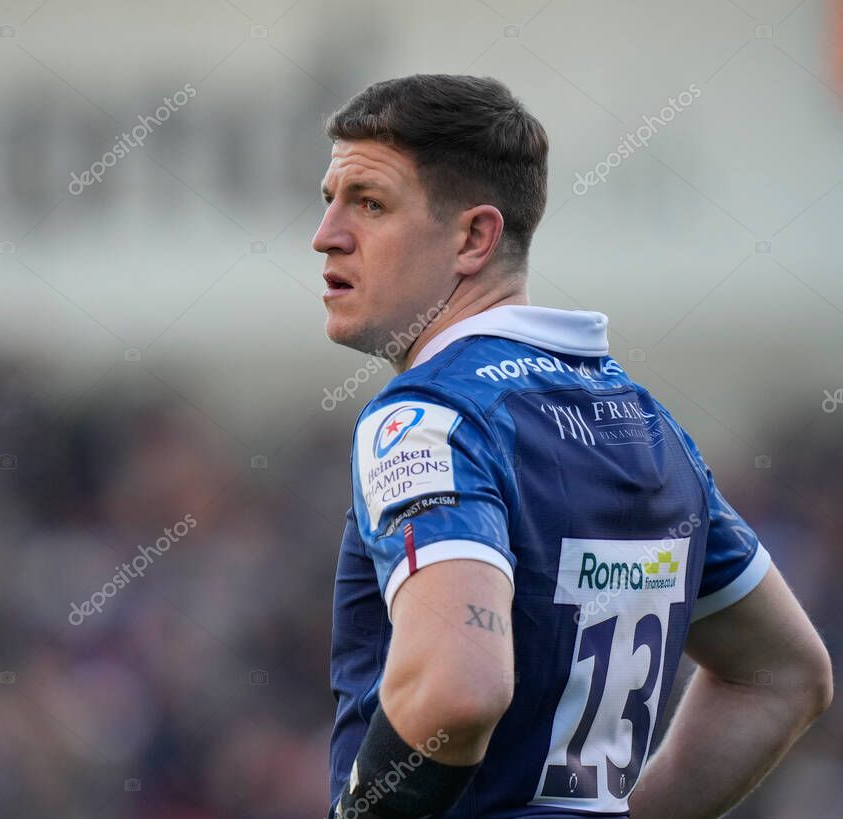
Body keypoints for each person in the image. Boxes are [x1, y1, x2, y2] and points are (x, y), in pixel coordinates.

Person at [313, 73, 833, 819]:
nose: (326, 233)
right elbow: (783, 675)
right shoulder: (646, 422)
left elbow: (459, 688)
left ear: (473, 237)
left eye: (369, 203)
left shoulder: (426, 415)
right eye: (329, 199)